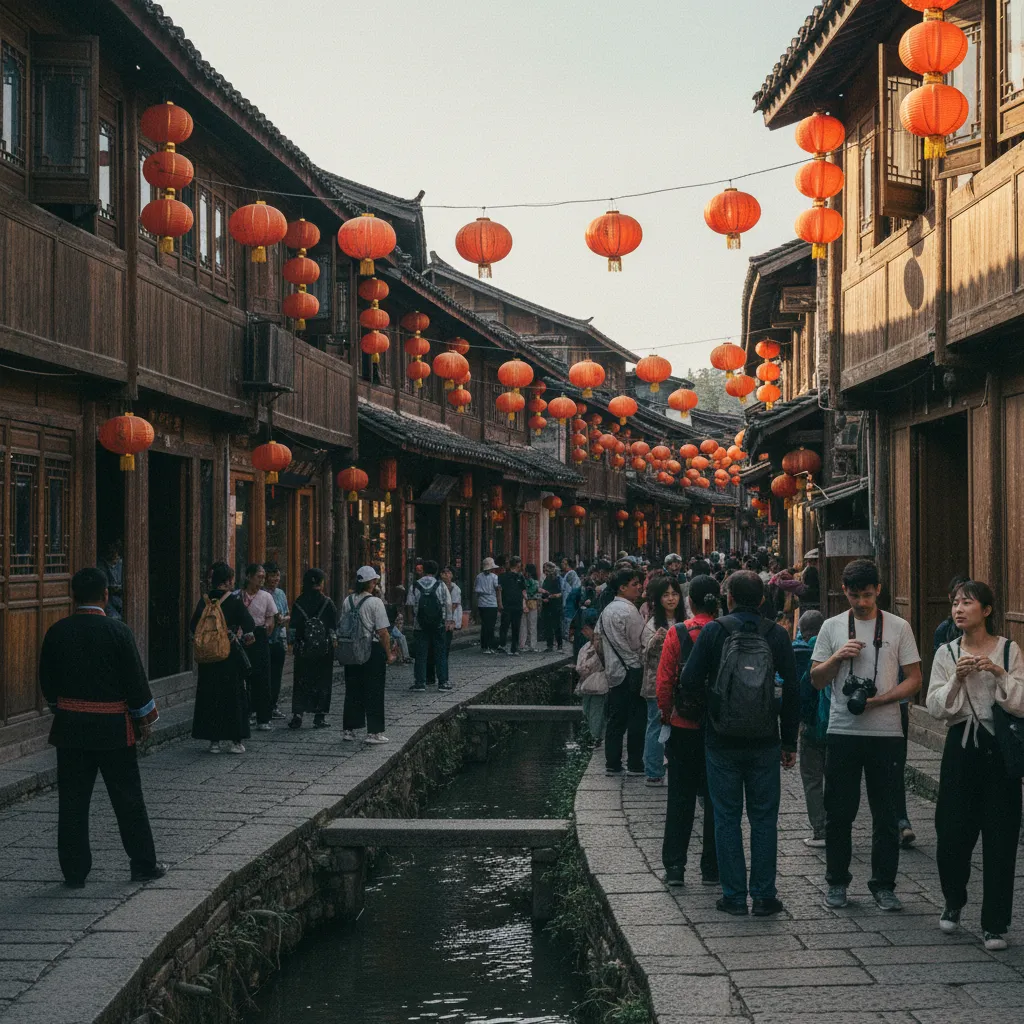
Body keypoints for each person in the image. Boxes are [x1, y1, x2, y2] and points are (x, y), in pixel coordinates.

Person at [677, 570, 798, 916]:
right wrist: (789, 741)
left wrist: (711, 709)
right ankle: (763, 895)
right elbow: (791, 690)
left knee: (726, 817)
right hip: (765, 740)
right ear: (762, 600)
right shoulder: (776, 634)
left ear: (728, 597)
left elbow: (688, 680)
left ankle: (733, 896)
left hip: (721, 739)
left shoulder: (715, 631)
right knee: (764, 819)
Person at [39, 567, 165, 888]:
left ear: (73, 596)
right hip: (113, 729)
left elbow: (48, 682)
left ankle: (74, 872)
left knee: (72, 801)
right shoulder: (118, 632)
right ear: (106, 595)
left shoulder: (57, 631)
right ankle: (142, 864)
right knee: (128, 798)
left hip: (70, 729)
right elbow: (135, 682)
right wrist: (143, 719)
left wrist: (63, 708)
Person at [810, 558, 923, 912]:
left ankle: (884, 885)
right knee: (839, 812)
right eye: (855, 595)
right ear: (845, 591)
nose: (861, 602)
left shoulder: (899, 627)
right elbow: (816, 679)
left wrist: (880, 700)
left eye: (868, 595)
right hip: (842, 730)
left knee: (886, 813)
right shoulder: (831, 627)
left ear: (879, 590)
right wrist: (837, 659)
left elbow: (915, 679)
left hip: (887, 731)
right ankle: (837, 883)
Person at [926, 579, 1024, 952]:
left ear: (986, 610)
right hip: (960, 747)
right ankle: (954, 898)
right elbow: (935, 708)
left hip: (1000, 749)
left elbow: (1021, 702)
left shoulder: (1010, 649)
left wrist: (999, 674)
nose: (958, 609)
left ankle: (995, 924)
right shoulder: (946, 653)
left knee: (1001, 838)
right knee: (951, 833)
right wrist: (957, 677)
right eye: (954, 603)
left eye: (967, 603)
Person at [656, 574, 720, 887]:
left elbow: (664, 682)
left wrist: (667, 715)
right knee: (715, 798)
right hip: (719, 726)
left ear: (689, 602)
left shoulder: (677, 633)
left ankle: (675, 867)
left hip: (683, 725)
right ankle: (712, 867)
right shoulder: (725, 631)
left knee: (679, 797)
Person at [191, 562, 256, 753]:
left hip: (208, 658)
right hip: (229, 656)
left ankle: (214, 741)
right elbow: (249, 624)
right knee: (233, 697)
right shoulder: (234, 601)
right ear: (228, 581)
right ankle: (236, 741)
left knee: (210, 697)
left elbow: (193, 626)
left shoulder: (203, 601)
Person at [597, 568, 646, 777]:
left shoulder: (606, 610)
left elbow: (598, 643)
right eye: (634, 584)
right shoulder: (629, 611)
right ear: (622, 587)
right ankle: (635, 763)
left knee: (615, 720)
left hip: (614, 672)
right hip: (632, 670)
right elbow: (638, 642)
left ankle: (612, 763)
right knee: (636, 718)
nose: (638, 587)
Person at [342, 566, 395, 745]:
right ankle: (374, 732)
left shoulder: (347, 601)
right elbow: (383, 632)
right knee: (374, 690)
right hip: (371, 649)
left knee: (352, 690)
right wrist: (389, 654)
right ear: (371, 583)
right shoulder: (375, 603)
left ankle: (349, 729)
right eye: (374, 581)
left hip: (351, 649)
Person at [641, 575, 682, 787]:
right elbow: (645, 655)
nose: (671, 599)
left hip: (680, 682)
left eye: (674, 594)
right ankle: (654, 770)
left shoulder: (686, 619)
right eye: (666, 595)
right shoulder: (651, 625)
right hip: (657, 682)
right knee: (656, 724)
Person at [288, 568, 338, 729]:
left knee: (301, 680)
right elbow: (334, 626)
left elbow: (293, 627)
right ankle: (319, 716)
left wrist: (293, 645)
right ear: (321, 583)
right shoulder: (327, 603)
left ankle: (298, 714)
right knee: (323, 681)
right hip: (324, 649)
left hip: (303, 648)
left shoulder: (299, 602)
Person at [794, 610, 826, 847]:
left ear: (803, 632)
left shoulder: (797, 652)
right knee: (836, 777)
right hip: (837, 725)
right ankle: (839, 826)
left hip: (811, 726)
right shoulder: (837, 648)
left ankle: (821, 829)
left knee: (813, 779)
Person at [239, 563, 277, 731]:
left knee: (262, 678)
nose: (262, 580)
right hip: (241, 637)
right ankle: (246, 714)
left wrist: (268, 627)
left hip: (259, 636)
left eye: (263, 577)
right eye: (259, 576)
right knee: (242, 678)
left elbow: (270, 618)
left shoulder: (266, 596)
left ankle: (264, 717)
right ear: (248, 576)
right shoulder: (237, 595)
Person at [412, 559, 453, 691]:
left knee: (421, 654)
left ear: (423, 570)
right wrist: (448, 620)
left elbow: (409, 603)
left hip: (420, 625)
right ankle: (443, 682)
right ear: (436, 571)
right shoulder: (440, 585)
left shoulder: (415, 585)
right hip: (438, 624)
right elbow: (448, 604)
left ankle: (420, 682)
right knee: (440, 653)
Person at [575, 609, 608, 745]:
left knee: (595, 713)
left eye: (585, 629)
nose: (583, 632)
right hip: (588, 683)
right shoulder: (588, 645)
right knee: (591, 712)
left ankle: (596, 738)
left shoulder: (599, 644)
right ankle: (594, 737)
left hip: (598, 683)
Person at [263, 561, 289, 719]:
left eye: (277, 575)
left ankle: (273, 705)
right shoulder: (260, 593)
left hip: (278, 638)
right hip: (264, 640)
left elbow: (287, 614)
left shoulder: (280, 594)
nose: (276, 578)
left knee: (276, 675)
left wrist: (282, 619)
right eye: (272, 575)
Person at [498, 555, 528, 656]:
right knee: (511, 627)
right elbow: (524, 592)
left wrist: (524, 604)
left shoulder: (518, 577)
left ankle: (507, 646)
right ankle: (509, 647)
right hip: (511, 605)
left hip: (512, 605)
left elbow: (523, 591)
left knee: (509, 626)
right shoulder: (505, 576)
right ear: (518, 565)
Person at [933, 574, 970, 652]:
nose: (959, 609)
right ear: (950, 598)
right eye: (956, 603)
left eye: (966, 602)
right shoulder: (943, 629)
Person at [474, 558, 501, 653]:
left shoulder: (478, 577)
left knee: (484, 625)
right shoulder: (494, 577)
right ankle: (490, 645)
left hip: (482, 603)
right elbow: (497, 588)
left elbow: (476, 590)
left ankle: (484, 644)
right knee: (491, 626)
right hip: (491, 603)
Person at [96, 541, 124, 620]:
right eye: (112, 552)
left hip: (120, 598)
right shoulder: (101, 564)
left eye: (116, 552)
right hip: (108, 599)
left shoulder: (122, 564)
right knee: (114, 617)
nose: (115, 555)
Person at [540, 562, 564, 652]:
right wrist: (544, 597)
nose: (545, 572)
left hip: (555, 605)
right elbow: (544, 592)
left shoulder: (557, 579)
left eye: (546, 570)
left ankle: (559, 645)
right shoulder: (546, 579)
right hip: (547, 605)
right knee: (548, 626)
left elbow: (560, 593)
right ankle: (549, 645)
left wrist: (551, 596)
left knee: (557, 625)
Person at [521, 563, 540, 653]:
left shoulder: (525, 580)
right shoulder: (535, 582)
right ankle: (532, 645)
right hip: (532, 603)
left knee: (524, 625)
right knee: (532, 625)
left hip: (525, 602)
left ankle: (524, 644)